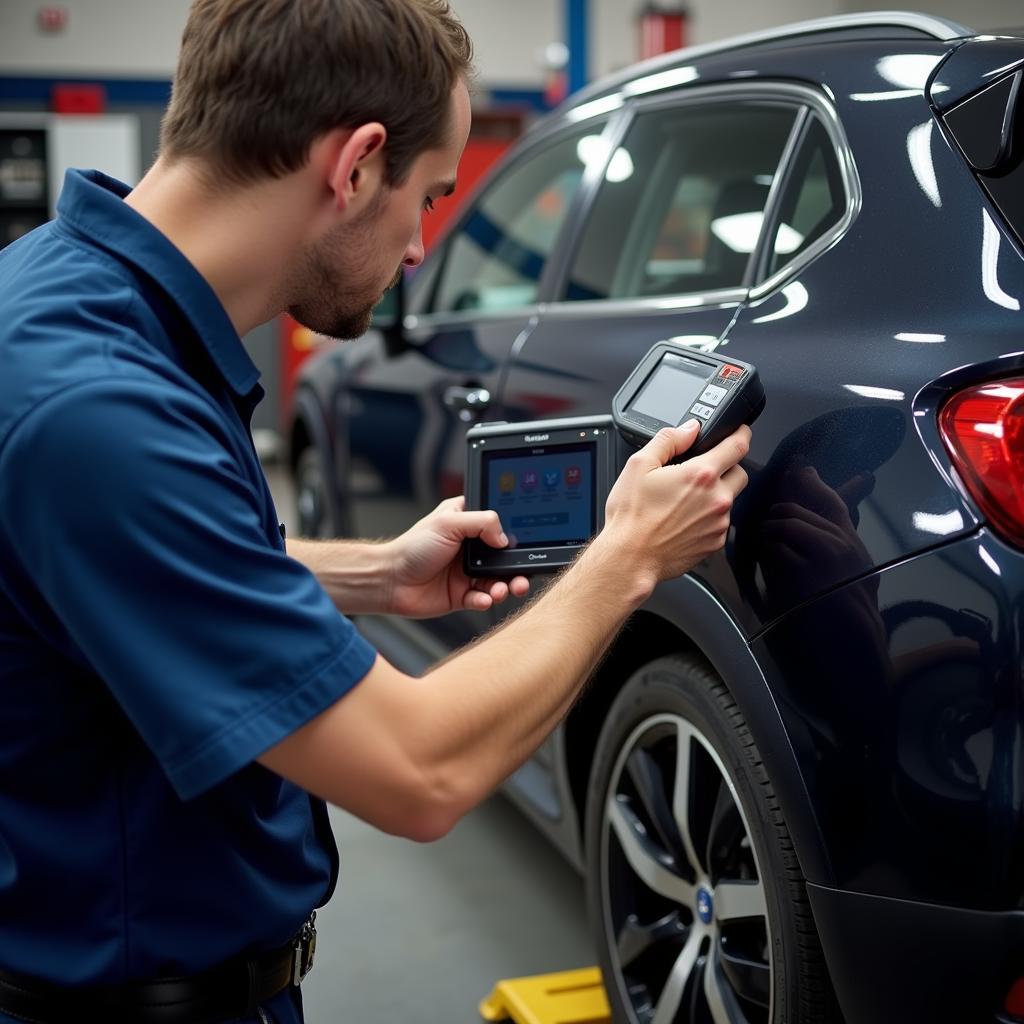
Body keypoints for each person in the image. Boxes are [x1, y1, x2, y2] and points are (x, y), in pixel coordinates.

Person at [0, 1, 750, 1022]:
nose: (416, 251)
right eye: (430, 198)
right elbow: (419, 770)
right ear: (354, 167)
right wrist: (626, 558)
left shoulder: (58, 299)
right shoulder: (100, 411)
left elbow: (120, 575)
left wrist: (373, 575)